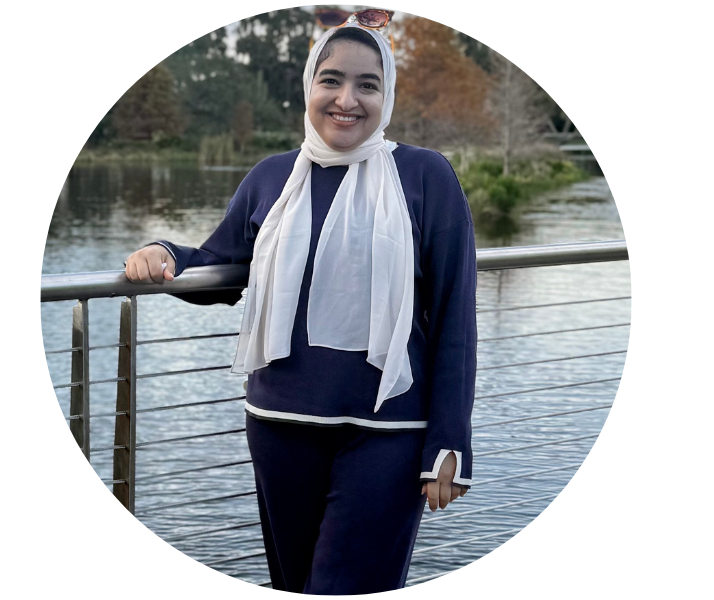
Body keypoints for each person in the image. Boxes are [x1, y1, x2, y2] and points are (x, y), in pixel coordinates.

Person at [124, 15, 477, 595]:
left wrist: (450, 440)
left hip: (388, 432)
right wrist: (162, 251)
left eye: (368, 84)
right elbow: (218, 266)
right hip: (280, 426)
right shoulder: (272, 176)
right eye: (331, 80)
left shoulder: (425, 176)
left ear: (387, 94)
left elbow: (454, 317)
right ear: (308, 87)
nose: (347, 99)